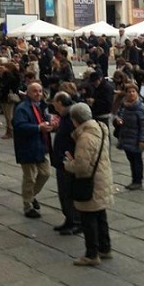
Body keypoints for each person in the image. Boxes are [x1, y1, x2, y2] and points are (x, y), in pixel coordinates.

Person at [64, 102, 114, 266]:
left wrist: (69, 164)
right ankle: (105, 248)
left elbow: (82, 167)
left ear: (75, 120)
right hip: (103, 177)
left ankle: (92, 254)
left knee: (89, 218)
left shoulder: (85, 137)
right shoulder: (100, 128)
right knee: (101, 215)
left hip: (91, 182)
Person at [12, 82, 54, 219]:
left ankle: (31, 195)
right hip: (27, 146)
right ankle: (27, 206)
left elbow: (46, 119)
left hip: (41, 145)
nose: (38, 94)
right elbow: (19, 126)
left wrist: (51, 123)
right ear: (28, 93)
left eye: (40, 91)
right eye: (35, 91)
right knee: (29, 177)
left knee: (45, 173)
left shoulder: (42, 106)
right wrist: (37, 128)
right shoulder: (22, 108)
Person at [50, 92, 80, 235]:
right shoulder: (66, 116)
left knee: (68, 192)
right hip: (62, 160)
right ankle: (69, 219)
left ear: (60, 103)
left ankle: (75, 221)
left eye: (54, 101)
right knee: (63, 193)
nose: (53, 104)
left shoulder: (70, 118)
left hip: (67, 161)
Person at [114, 82, 144, 190]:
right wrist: (118, 120)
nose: (131, 94)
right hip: (126, 136)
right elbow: (118, 115)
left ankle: (138, 180)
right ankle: (134, 179)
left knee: (137, 160)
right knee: (131, 159)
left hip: (136, 138)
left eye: (133, 91)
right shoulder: (124, 105)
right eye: (129, 92)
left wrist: (143, 140)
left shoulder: (140, 107)